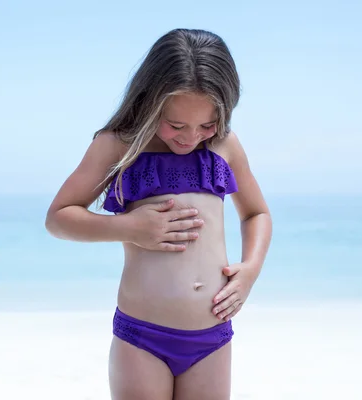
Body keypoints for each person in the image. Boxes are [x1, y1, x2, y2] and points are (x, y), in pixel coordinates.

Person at [45, 28, 272, 400]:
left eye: (207, 125)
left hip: (211, 337)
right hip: (143, 337)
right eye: (177, 125)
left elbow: (256, 213)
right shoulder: (118, 144)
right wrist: (130, 227)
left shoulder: (225, 146)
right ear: (150, 100)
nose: (190, 137)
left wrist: (250, 271)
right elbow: (59, 217)